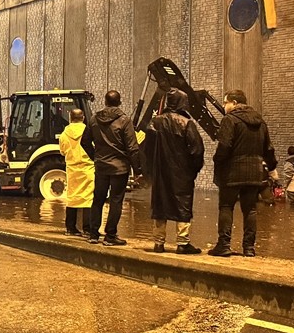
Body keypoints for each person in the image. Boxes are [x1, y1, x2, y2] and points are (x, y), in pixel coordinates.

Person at [211, 89, 276, 257]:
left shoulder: (230, 120)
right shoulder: (260, 122)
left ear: (233, 102)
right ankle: (249, 248)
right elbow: (268, 149)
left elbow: (224, 146)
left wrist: (217, 161)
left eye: (225, 103)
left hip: (232, 172)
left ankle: (224, 245)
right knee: (250, 210)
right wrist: (272, 168)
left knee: (226, 207)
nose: (224, 106)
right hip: (254, 173)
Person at [143, 89, 205, 254]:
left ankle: (158, 243)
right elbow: (197, 149)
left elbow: (146, 149)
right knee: (183, 205)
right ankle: (182, 243)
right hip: (182, 173)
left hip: (160, 172)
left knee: (159, 205)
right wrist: (193, 170)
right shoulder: (186, 123)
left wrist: (150, 171)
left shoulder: (155, 122)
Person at [82, 90, 141, 246]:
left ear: (106, 102)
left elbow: (84, 142)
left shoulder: (94, 119)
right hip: (119, 168)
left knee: (98, 199)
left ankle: (93, 234)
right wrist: (138, 170)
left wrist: (95, 157)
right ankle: (110, 236)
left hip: (101, 167)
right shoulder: (124, 120)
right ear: (119, 102)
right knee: (116, 201)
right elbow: (132, 148)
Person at [58, 109, 95, 238]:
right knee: (88, 198)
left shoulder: (64, 134)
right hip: (88, 168)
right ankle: (87, 229)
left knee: (72, 197)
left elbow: (62, 151)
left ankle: (70, 227)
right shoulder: (90, 131)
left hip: (72, 168)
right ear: (83, 118)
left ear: (70, 118)